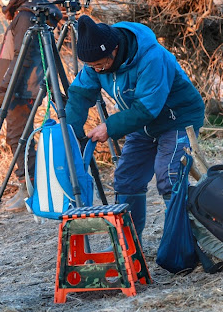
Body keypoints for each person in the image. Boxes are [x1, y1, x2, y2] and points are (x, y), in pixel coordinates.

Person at [64, 15, 205, 243]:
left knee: (168, 175)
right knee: (126, 178)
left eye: (100, 65)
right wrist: (71, 133)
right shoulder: (95, 61)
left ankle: (185, 245)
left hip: (177, 117)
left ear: (115, 49)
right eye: (92, 67)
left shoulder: (151, 57)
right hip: (142, 123)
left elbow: (148, 108)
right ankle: (131, 247)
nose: (97, 71)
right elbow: (80, 94)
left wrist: (108, 127)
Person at [0, 0, 62, 211]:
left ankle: (29, 189)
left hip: (20, 89)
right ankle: (32, 186)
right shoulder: (29, 12)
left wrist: (6, 89)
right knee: (20, 137)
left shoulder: (25, 15)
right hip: (23, 87)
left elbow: (23, 56)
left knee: (17, 138)